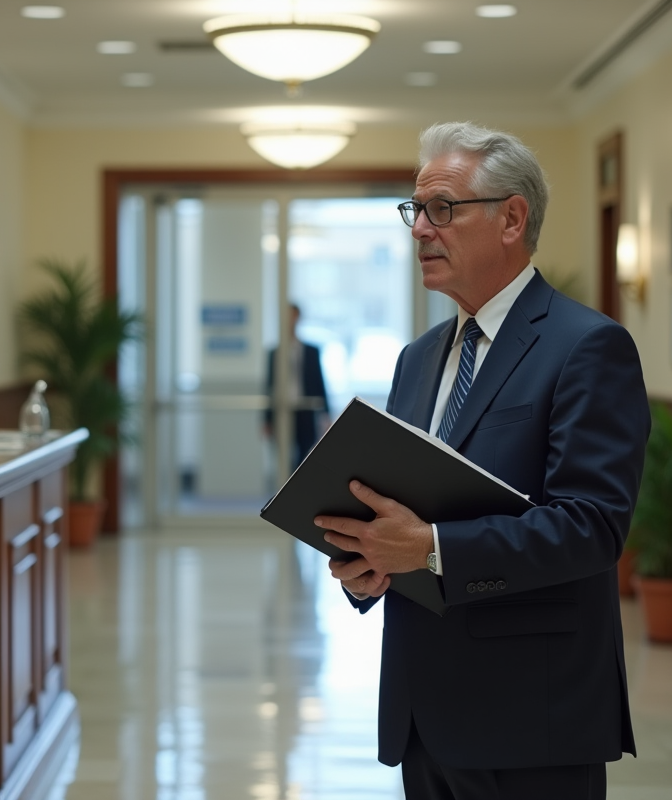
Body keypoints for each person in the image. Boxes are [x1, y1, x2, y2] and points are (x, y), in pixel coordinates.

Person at [316, 122, 649, 799]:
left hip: (532, 716)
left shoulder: (587, 346)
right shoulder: (417, 359)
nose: (419, 230)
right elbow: (406, 507)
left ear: (511, 219)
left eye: (442, 208)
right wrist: (367, 563)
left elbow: (591, 526)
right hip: (422, 714)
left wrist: (429, 548)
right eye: (415, 210)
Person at [264, 303, 329, 471]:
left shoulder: (311, 351)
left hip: (305, 409)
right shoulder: (274, 353)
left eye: (292, 316)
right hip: (282, 410)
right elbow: (268, 386)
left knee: (305, 455)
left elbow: (319, 382)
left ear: (298, 318)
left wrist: (326, 413)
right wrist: (266, 419)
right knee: (284, 456)